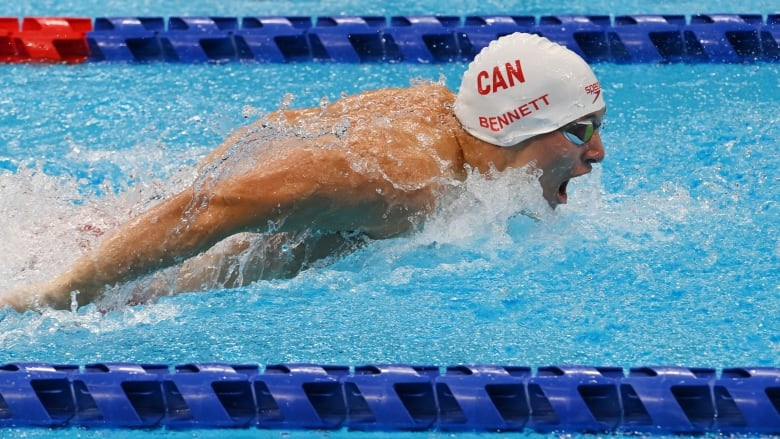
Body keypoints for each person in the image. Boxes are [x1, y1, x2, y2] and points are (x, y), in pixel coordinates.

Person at [1, 32, 606, 311]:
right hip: (161, 267)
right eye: (580, 130)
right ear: (514, 126)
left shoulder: (440, 110)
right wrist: (57, 293)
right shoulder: (410, 183)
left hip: (150, 213)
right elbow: (220, 205)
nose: (597, 152)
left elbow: (282, 134)